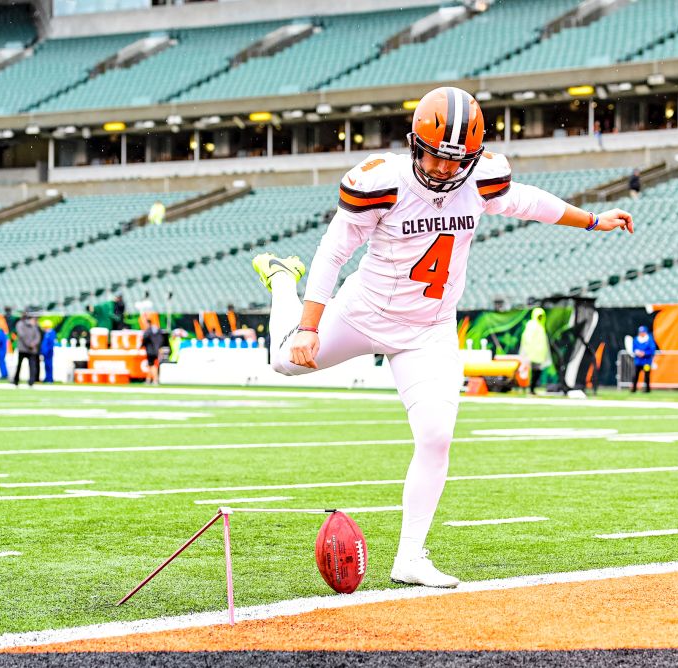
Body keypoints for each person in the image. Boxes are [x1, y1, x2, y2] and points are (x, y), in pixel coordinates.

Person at [250, 86, 634, 588]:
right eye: (435, 155)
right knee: (285, 363)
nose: (445, 169)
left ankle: (410, 557)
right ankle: (281, 278)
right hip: (365, 310)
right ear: (415, 144)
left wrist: (591, 221)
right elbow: (331, 253)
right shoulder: (381, 181)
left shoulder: (481, 178)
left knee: (436, 436)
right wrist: (306, 326)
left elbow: (528, 202)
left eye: (457, 160)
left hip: (428, 330)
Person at [519, 307, 551, 395]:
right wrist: (529, 352)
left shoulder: (541, 326)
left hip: (539, 355)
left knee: (537, 372)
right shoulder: (532, 325)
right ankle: (529, 389)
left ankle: (532, 389)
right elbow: (527, 339)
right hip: (532, 354)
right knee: (531, 372)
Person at [11, 310, 41, 387]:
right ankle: (17, 380)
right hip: (24, 348)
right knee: (20, 365)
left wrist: (32, 344)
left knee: (31, 366)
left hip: (28, 349)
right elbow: (21, 335)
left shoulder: (32, 324)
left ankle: (31, 381)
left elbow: (37, 336)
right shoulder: (21, 324)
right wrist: (30, 344)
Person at [631, 325, 656, 393]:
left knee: (647, 375)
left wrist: (644, 353)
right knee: (635, 375)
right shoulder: (636, 339)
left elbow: (652, 350)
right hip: (638, 361)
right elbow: (633, 348)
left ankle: (647, 389)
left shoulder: (649, 339)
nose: (641, 333)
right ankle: (634, 389)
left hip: (646, 361)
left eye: (643, 332)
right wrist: (637, 352)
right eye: (640, 332)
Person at [142, 319, 163, 385]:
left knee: (152, 365)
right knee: (150, 365)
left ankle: (155, 380)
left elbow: (144, 339)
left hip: (150, 351)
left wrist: (141, 346)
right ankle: (148, 380)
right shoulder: (157, 331)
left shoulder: (148, 331)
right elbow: (161, 340)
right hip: (156, 350)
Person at [39, 319, 57, 383]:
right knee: (46, 366)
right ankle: (47, 377)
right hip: (45, 352)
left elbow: (51, 344)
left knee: (49, 366)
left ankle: (50, 378)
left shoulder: (51, 333)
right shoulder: (46, 333)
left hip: (49, 353)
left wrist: (48, 351)